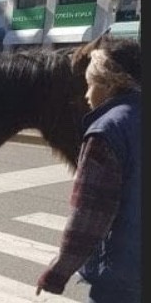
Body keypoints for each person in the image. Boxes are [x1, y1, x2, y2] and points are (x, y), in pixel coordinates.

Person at [36, 37, 141, 302]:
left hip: (122, 279)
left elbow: (90, 216)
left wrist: (57, 272)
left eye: (90, 84)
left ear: (109, 84)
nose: (86, 94)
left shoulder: (107, 131)